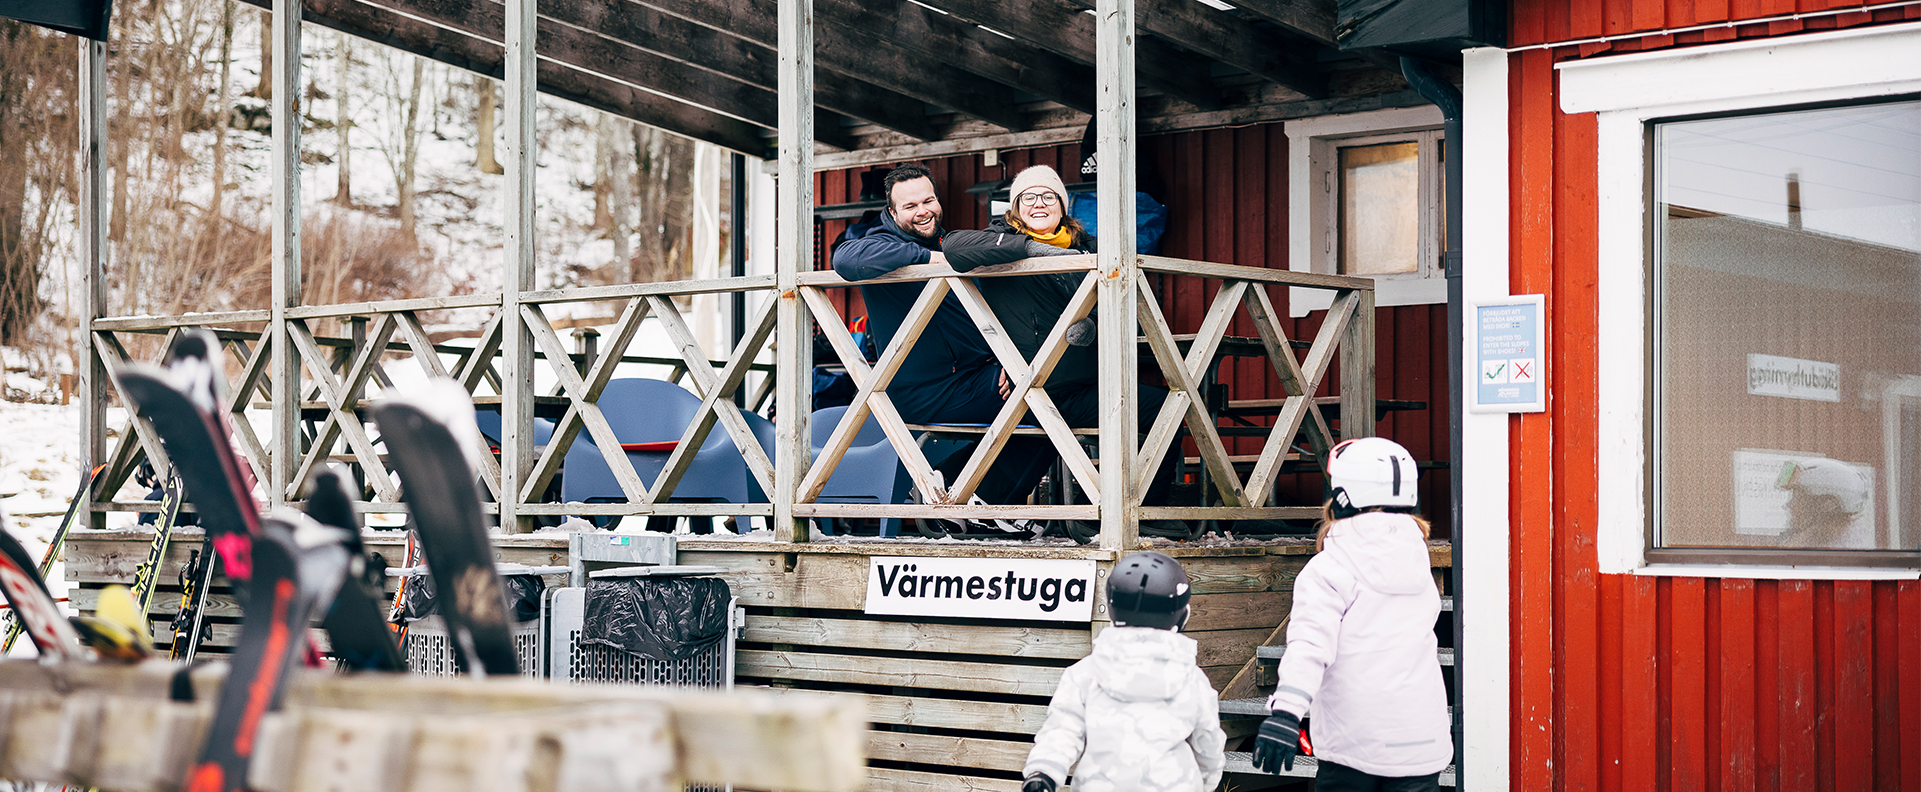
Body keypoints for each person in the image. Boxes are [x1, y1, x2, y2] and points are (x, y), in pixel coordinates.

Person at [944, 165, 1186, 541]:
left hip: (1087, 381)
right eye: (1028, 197)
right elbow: (952, 247)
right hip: (1038, 387)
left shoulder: (1088, 248)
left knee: (1165, 408)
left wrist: (1092, 324)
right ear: (1015, 207)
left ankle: (1144, 512)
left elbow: (1124, 312)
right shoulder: (998, 242)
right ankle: (1098, 511)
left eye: (1048, 196)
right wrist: (1031, 248)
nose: (1038, 204)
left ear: (1062, 205)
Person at [831, 163, 1052, 514]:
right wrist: (931, 260)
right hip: (920, 391)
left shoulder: (954, 243)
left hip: (975, 378)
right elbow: (844, 258)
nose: (923, 211)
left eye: (928, 200)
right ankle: (970, 502)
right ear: (891, 212)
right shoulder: (880, 244)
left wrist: (1008, 364)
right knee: (1048, 405)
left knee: (1058, 398)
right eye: (910, 206)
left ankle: (963, 493)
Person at [1251, 437, 1452, 790]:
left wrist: (1286, 712)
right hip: (1422, 741)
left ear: (1342, 496)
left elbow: (1310, 647)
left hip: (1355, 744)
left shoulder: (1330, 567)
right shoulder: (1419, 561)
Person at [1021, 551, 1225, 792]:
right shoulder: (1192, 680)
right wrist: (1206, 783)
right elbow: (1208, 745)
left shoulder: (1085, 674)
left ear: (1111, 609)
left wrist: (1043, 773)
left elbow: (1062, 732)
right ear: (1183, 616)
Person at [1778, 457, 1872, 548]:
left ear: (1826, 506)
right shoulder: (1817, 541)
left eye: (1797, 498)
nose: (1788, 505)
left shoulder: (1845, 551)